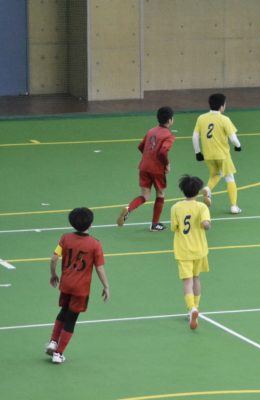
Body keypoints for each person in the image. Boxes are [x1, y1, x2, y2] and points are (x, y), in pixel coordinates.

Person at [46, 207, 109, 364]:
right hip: (81, 289)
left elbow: (54, 258)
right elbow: (99, 268)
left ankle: (53, 341)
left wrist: (53, 274)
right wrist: (106, 286)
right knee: (71, 319)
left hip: (66, 284)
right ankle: (58, 354)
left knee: (63, 311)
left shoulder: (65, 238)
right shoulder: (95, 244)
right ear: (91, 224)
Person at [117, 106, 176, 231]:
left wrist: (148, 157)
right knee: (160, 193)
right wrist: (167, 164)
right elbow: (163, 152)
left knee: (145, 195)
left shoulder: (151, 131)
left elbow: (141, 146)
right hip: (157, 169)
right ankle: (155, 224)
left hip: (144, 166)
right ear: (170, 120)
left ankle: (128, 209)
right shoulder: (168, 135)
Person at [171, 175, 212, 329]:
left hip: (183, 250)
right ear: (197, 191)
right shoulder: (202, 207)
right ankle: (196, 307)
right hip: (199, 249)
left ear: (183, 190)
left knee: (187, 281)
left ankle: (191, 308)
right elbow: (206, 224)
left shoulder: (175, 207)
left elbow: (174, 227)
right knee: (196, 278)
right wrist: (206, 224)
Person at [193, 93, 242, 214]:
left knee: (216, 174)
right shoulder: (224, 119)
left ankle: (207, 189)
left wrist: (198, 152)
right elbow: (233, 138)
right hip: (223, 155)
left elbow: (195, 136)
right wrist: (238, 146)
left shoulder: (201, 118)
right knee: (229, 177)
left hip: (208, 155)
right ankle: (234, 206)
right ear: (222, 106)